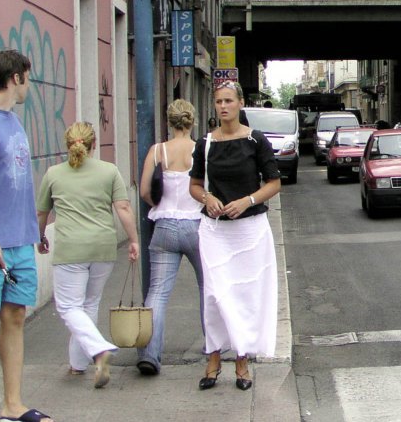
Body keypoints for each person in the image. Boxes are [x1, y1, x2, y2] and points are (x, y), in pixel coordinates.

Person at [189, 81, 281, 392]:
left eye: (229, 100)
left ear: (240, 103)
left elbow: (273, 183)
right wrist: (207, 199)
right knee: (214, 296)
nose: (223, 106)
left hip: (250, 230)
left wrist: (248, 200)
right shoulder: (206, 143)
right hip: (215, 231)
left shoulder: (256, 141)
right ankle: (213, 359)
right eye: (218, 101)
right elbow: (195, 185)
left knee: (244, 296)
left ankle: (242, 362)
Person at [36, 122, 139, 390]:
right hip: (103, 248)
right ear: (94, 145)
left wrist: (40, 237)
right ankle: (77, 364)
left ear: (67, 144)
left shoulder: (54, 173)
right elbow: (124, 207)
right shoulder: (109, 171)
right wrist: (134, 239)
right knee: (89, 304)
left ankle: (98, 349)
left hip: (71, 248)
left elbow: (42, 213)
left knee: (69, 307)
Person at [0, 50, 56, 422]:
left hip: (20, 240)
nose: (31, 85)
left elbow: (15, 185)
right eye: (29, 77)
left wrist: (36, 231)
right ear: (16, 77)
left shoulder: (13, 121)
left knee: (14, 317)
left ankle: (12, 407)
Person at [135, 99, 204, 376]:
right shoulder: (201, 149)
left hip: (164, 227)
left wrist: (158, 206)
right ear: (192, 121)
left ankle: (150, 354)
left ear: (169, 121)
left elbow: (143, 191)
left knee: (158, 293)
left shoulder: (157, 151)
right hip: (197, 225)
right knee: (207, 287)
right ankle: (213, 346)